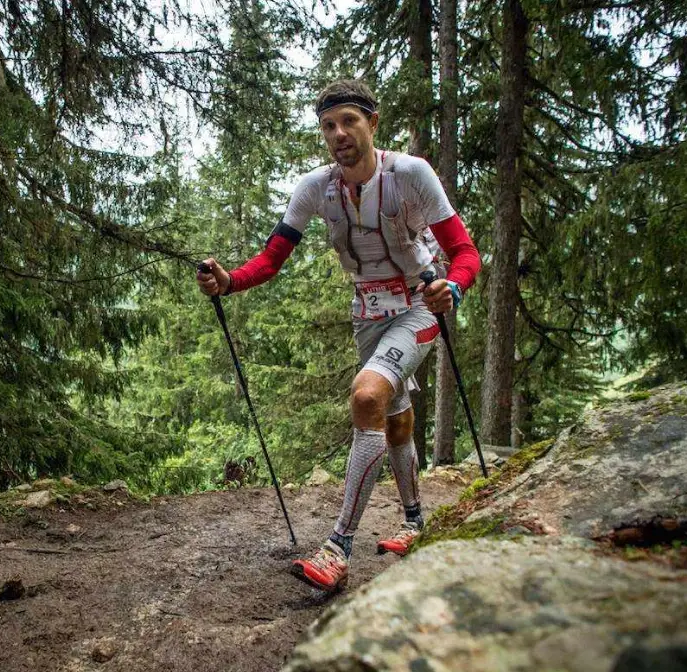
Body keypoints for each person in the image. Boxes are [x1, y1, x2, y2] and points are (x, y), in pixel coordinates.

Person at [196, 79, 481, 592]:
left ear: (373, 123)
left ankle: (338, 547)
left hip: (419, 306)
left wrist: (452, 288)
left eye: (349, 121)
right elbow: (272, 258)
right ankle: (415, 521)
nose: (338, 133)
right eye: (328, 125)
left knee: (367, 394)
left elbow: (465, 253)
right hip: (366, 315)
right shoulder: (315, 187)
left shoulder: (412, 174)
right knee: (395, 422)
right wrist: (229, 280)